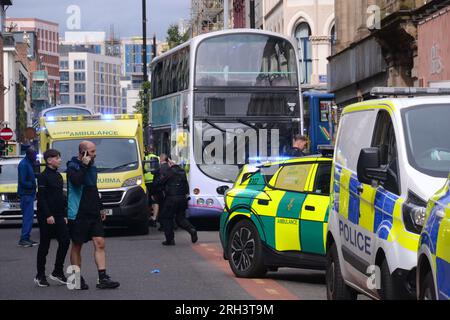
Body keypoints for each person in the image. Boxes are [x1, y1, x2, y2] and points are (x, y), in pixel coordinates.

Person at [66, 141, 120, 290]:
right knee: (77, 245)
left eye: (95, 151)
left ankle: (102, 278)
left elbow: (93, 187)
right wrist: (84, 165)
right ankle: (75, 279)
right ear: (83, 153)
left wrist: (101, 208)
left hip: (93, 211)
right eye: (92, 152)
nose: (95, 154)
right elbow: (76, 182)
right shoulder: (72, 166)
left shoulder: (93, 166)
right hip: (78, 212)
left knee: (100, 242)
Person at [34, 149, 70, 287]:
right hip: (46, 216)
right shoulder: (43, 177)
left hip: (59, 215)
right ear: (49, 160)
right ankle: (40, 275)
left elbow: (60, 197)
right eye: (57, 158)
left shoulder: (59, 176)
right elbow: (41, 197)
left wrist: (65, 214)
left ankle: (57, 271)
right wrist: (48, 215)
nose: (60, 160)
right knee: (45, 244)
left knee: (65, 241)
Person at [156, 160, 197, 246]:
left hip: (171, 198)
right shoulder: (182, 172)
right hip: (182, 198)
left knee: (166, 218)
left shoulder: (169, 172)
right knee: (181, 218)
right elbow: (186, 185)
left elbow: (160, 182)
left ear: (170, 164)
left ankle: (170, 239)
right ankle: (191, 229)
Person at [17, 147, 38, 247]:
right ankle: (24, 239)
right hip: (26, 194)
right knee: (27, 218)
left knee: (29, 217)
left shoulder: (28, 163)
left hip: (29, 194)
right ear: (29, 155)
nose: (35, 157)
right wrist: (33, 185)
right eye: (34, 155)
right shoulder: (24, 164)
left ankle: (27, 237)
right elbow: (22, 181)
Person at [143, 146, 159, 227]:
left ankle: (148, 217)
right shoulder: (157, 158)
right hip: (154, 181)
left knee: (147, 201)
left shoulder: (144, 158)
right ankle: (154, 218)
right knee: (155, 200)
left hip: (146, 182)